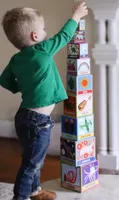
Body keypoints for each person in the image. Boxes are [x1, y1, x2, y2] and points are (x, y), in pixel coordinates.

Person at [0, 2, 88, 200]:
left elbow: (4, 80)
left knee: (35, 159)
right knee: (31, 163)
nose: (46, 32)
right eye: (43, 29)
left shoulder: (16, 59)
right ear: (35, 36)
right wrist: (77, 16)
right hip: (37, 122)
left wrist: (22, 86)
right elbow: (64, 36)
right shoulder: (43, 50)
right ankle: (20, 197)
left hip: (24, 118)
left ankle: (35, 191)